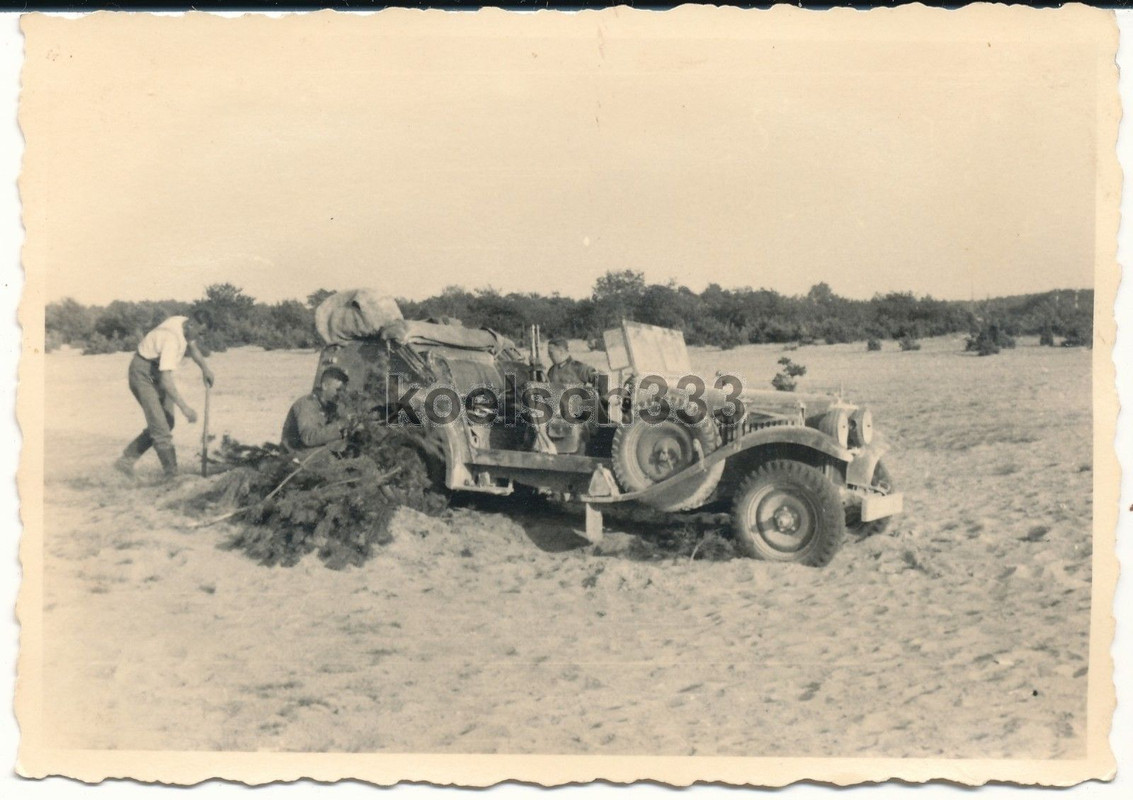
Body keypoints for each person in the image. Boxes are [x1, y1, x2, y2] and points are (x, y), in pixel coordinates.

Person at [115, 309, 215, 481]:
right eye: (199, 332)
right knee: (161, 429)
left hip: (155, 369)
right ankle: (171, 476)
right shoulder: (171, 340)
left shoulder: (183, 321)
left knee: (166, 422)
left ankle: (125, 461)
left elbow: (192, 345)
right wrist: (185, 408)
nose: (199, 337)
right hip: (142, 374)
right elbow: (166, 381)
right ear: (191, 325)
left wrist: (205, 368)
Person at [280, 366, 350, 456]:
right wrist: (339, 425)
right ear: (325, 386)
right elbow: (308, 437)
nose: (340, 394)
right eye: (338, 390)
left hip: (315, 455)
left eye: (343, 391)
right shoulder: (306, 404)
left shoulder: (330, 406)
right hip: (295, 456)